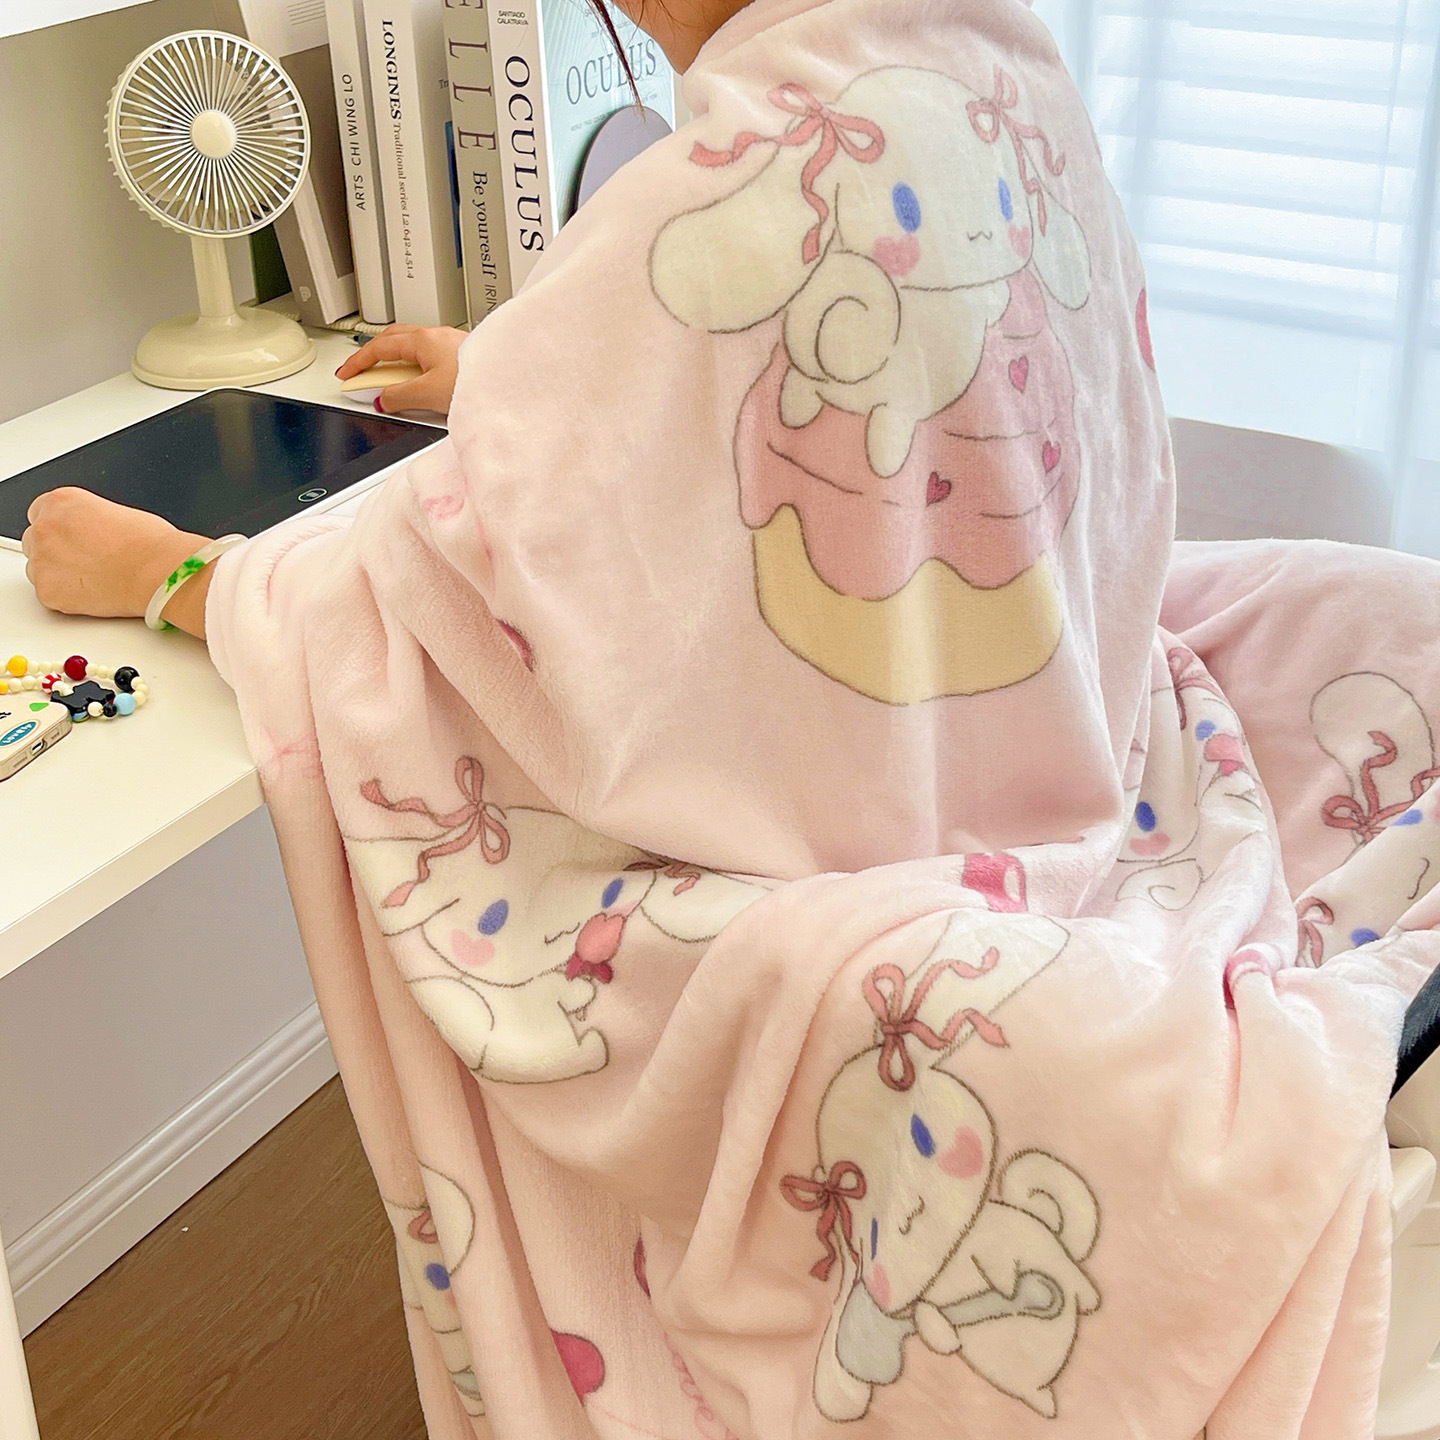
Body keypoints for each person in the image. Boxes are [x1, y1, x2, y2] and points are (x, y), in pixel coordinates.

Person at [19, 0, 1440, 1434]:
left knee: (557, 912)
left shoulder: (738, 174)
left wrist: (177, 576)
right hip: (1052, 720)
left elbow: (437, 601)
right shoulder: (997, 59)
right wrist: (517, 372)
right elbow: (749, 362)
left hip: (884, 839)